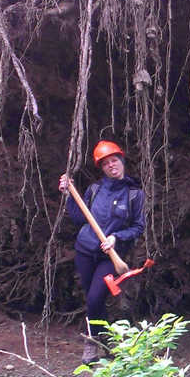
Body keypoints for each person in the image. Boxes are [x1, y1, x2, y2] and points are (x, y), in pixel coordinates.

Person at [59, 140, 145, 364]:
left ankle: (92, 342)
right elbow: (79, 219)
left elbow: (138, 227)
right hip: (85, 250)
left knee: (96, 296)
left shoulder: (134, 195)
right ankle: (104, 341)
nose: (111, 165)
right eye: (106, 163)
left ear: (122, 161)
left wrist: (117, 237)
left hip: (111, 257)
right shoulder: (94, 190)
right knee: (92, 300)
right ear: (102, 168)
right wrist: (69, 195)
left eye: (114, 160)